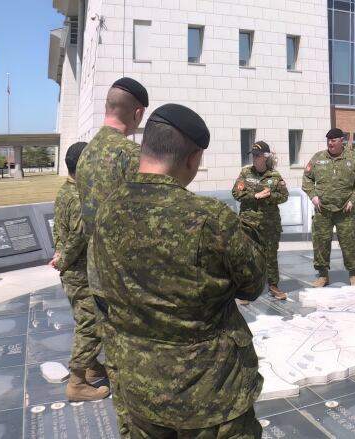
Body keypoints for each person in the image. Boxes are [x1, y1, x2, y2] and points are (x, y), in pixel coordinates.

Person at [91, 103, 266, 438]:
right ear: (193, 158)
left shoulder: (107, 210)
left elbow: (101, 290)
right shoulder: (209, 217)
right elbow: (252, 284)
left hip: (138, 386)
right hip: (210, 395)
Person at [74, 76, 149, 437]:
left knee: (115, 360)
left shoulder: (86, 154)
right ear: (136, 113)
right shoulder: (130, 155)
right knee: (138, 361)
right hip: (128, 279)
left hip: (97, 272)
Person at [49, 141, 109, 401]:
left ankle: (92, 369)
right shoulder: (79, 197)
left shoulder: (66, 191)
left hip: (73, 272)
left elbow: (59, 231)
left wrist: (59, 253)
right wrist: (63, 259)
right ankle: (76, 383)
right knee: (90, 326)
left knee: (84, 319)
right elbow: (78, 236)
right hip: (81, 272)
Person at [302, 128, 355, 287]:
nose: (330, 143)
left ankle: (353, 274)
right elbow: (307, 178)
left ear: (341, 141)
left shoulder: (353, 158)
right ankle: (323, 275)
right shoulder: (318, 158)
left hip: (345, 211)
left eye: (334, 140)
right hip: (322, 211)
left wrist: (353, 199)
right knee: (320, 243)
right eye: (328, 140)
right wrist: (313, 196)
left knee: (349, 243)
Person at [233, 140, 289, 300]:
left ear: (265, 157)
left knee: (270, 256)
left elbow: (284, 196)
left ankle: (273, 286)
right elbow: (236, 193)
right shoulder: (245, 173)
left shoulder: (274, 176)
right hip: (248, 223)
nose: (254, 158)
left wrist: (270, 196)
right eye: (253, 155)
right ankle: (246, 290)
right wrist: (255, 196)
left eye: (257, 155)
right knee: (248, 256)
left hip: (269, 224)